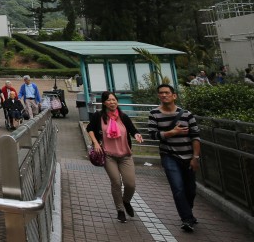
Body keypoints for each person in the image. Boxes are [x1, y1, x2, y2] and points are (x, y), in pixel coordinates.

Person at [148, 84, 201, 232]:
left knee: (191, 190)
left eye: (167, 92)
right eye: (161, 93)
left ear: (174, 95)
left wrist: (195, 157)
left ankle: (187, 212)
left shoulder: (187, 115)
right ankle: (187, 219)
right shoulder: (154, 114)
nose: (164, 95)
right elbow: (153, 135)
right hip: (169, 156)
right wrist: (172, 133)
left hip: (188, 156)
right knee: (177, 188)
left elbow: (196, 137)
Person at [86, 91, 144, 222]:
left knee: (130, 184)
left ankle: (126, 201)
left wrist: (137, 135)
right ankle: (120, 210)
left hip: (125, 155)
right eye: (109, 100)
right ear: (104, 102)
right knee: (116, 182)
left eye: (114, 100)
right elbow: (89, 129)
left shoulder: (123, 117)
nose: (112, 102)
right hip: (108, 155)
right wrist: (96, 143)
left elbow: (133, 130)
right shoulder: (98, 116)